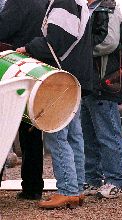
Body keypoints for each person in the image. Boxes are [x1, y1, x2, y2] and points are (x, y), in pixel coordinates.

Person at [15, 0, 93, 208]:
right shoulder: (77, 3)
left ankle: (67, 189)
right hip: (74, 77)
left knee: (57, 135)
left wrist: (28, 48)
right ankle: (77, 190)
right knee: (74, 136)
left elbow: (55, 42)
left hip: (60, 78)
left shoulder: (63, 3)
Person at [0, 0, 49, 200]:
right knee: (31, 131)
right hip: (37, 70)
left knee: (3, 129)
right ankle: (33, 186)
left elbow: (3, 29)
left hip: (13, 69)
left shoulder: (17, 2)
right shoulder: (46, 2)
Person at [81, 0, 122, 199]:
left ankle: (115, 181)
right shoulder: (91, 8)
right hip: (90, 81)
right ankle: (92, 179)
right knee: (89, 133)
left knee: (108, 132)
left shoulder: (108, 8)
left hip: (104, 80)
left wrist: (79, 51)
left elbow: (109, 42)